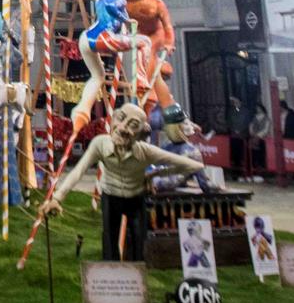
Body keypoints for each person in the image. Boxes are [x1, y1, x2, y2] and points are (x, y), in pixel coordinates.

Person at [41, 102, 204, 261]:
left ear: (140, 133)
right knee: (110, 241)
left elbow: (194, 165)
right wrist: (56, 198)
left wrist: (156, 174)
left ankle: (137, 278)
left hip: (136, 198)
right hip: (111, 196)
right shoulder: (101, 145)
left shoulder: (145, 152)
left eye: (133, 125)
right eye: (120, 118)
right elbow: (78, 172)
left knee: (139, 242)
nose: (123, 128)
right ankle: (111, 279)